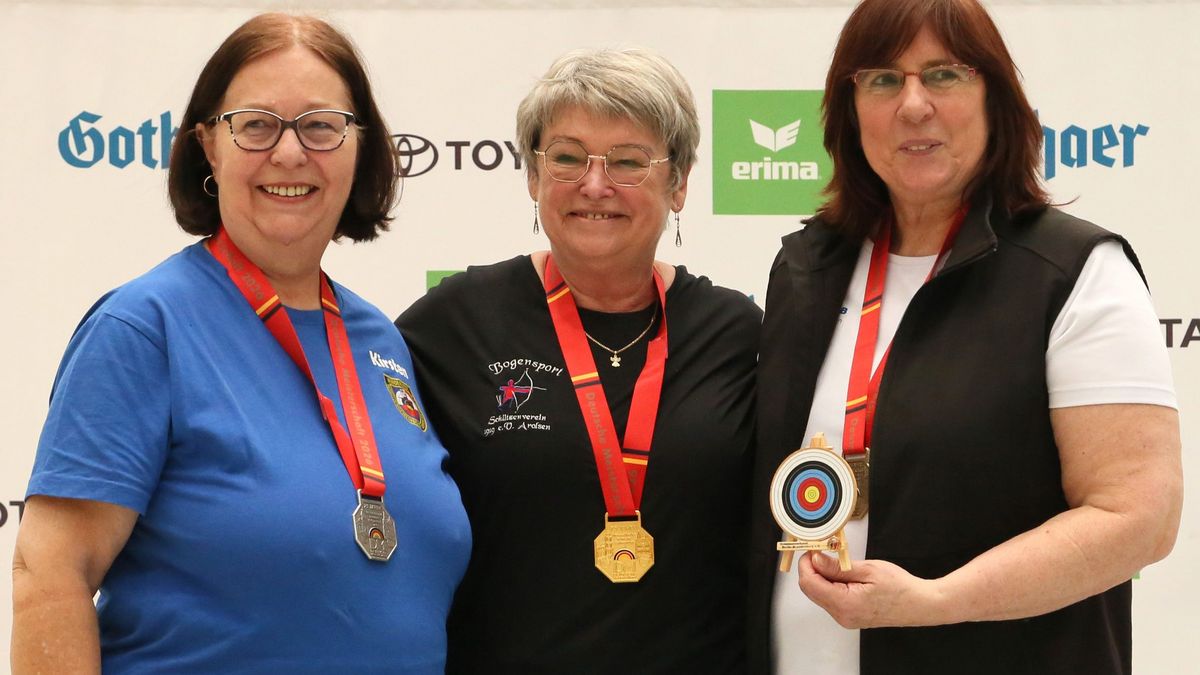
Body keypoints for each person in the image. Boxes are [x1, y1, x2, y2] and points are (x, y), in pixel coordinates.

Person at [11, 13, 469, 674]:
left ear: (360, 149)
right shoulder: (147, 327)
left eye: (321, 125)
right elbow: (50, 573)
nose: (290, 153)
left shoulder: (381, 342)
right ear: (208, 146)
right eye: (256, 124)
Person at [750, 0, 1183, 673]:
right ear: (850, 109)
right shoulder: (807, 266)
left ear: (996, 101)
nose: (913, 104)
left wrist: (935, 599)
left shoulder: (1075, 273)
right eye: (883, 79)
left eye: (944, 75)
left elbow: (1139, 520)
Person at [396, 48, 761, 673]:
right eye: (566, 158)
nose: (595, 185)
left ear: (677, 183)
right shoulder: (452, 323)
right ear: (534, 177)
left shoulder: (735, 332)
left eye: (627, 161)